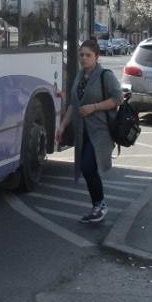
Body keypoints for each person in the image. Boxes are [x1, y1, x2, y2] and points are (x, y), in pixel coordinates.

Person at [55, 39, 120, 224]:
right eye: (81, 55)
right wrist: (62, 125)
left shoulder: (105, 75)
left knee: (88, 166)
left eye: (88, 55)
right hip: (82, 130)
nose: (83, 58)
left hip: (100, 130)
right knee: (88, 168)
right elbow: (74, 104)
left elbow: (118, 98)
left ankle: (100, 205)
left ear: (96, 57)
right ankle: (97, 206)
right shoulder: (80, 76)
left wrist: (94, 107)